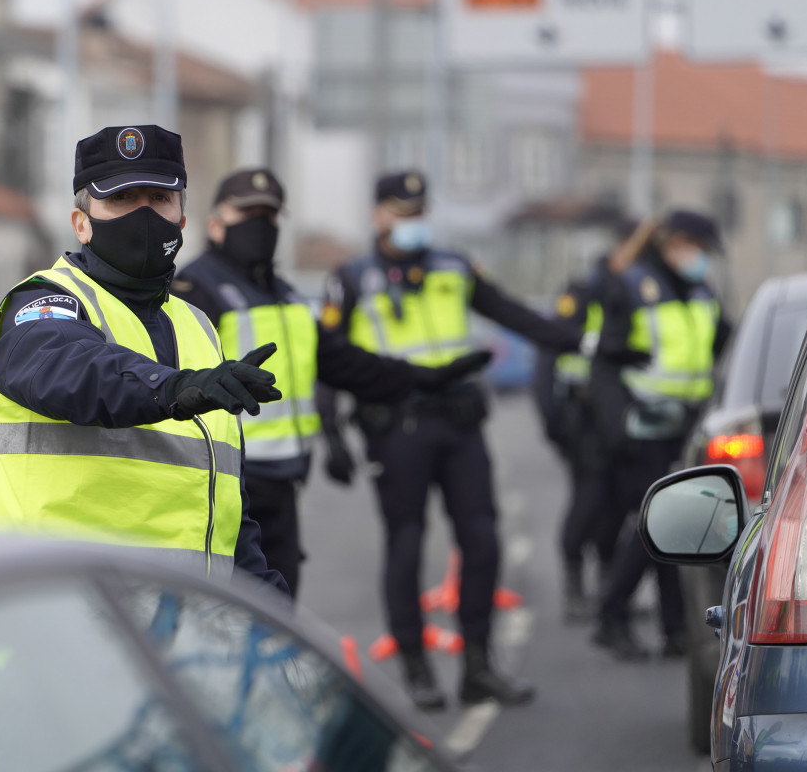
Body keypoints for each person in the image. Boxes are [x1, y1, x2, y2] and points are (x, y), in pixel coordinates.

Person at [0, 124, 287, 596]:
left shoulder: (199, 327)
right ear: (81, 222)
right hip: (59, 624)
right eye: (122, 200)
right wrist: (171, 389)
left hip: (185, 634)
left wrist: (271, 617)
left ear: (182, 218)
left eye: (159, 200)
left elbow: (225, 508)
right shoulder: (43, 303)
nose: (143, 216)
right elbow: (66, 368)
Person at [318, 171, 582, 709]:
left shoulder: (453, 268)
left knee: (483, 541)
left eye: (419, 212)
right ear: (378, 215)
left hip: (459, 424)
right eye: (402, 211)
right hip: (397, 428)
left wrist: (586, 343)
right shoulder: (351, 278)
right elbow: (327, 361)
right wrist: (331, 432)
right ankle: (417, 669)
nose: (413, 222)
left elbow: (514, 314)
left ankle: (479, 666)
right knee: (407, 545)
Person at [173, 168, 493, 598]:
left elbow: (345, 364)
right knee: (231, 617)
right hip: (226, 483)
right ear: (215, 222)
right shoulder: (193, 290)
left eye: (269, 216)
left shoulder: (283, 294)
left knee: (279, 613)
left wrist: (426, 378)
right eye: (247, 213)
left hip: (283, 483)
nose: (260, 225)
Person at [589, 209, 731, 660]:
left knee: (679, 526)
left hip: (686, 424)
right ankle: (611, 616)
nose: (702, 259)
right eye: (700, 250)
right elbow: (606, 362)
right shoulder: (634, 287)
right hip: (644, 426)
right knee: (661, 524)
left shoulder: (699, 291)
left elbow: (721, 339)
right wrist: (619, 425)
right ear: (677, 244)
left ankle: (673, 629)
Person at [532, 218, 636, 621]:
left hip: (617, 415)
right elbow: (548, 355)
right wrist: (551, 417)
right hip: (582, 418)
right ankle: (575, 586)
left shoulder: (630, 293)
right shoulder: (581, 295)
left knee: (616, 503)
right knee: (589, 500)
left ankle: (608, 585)